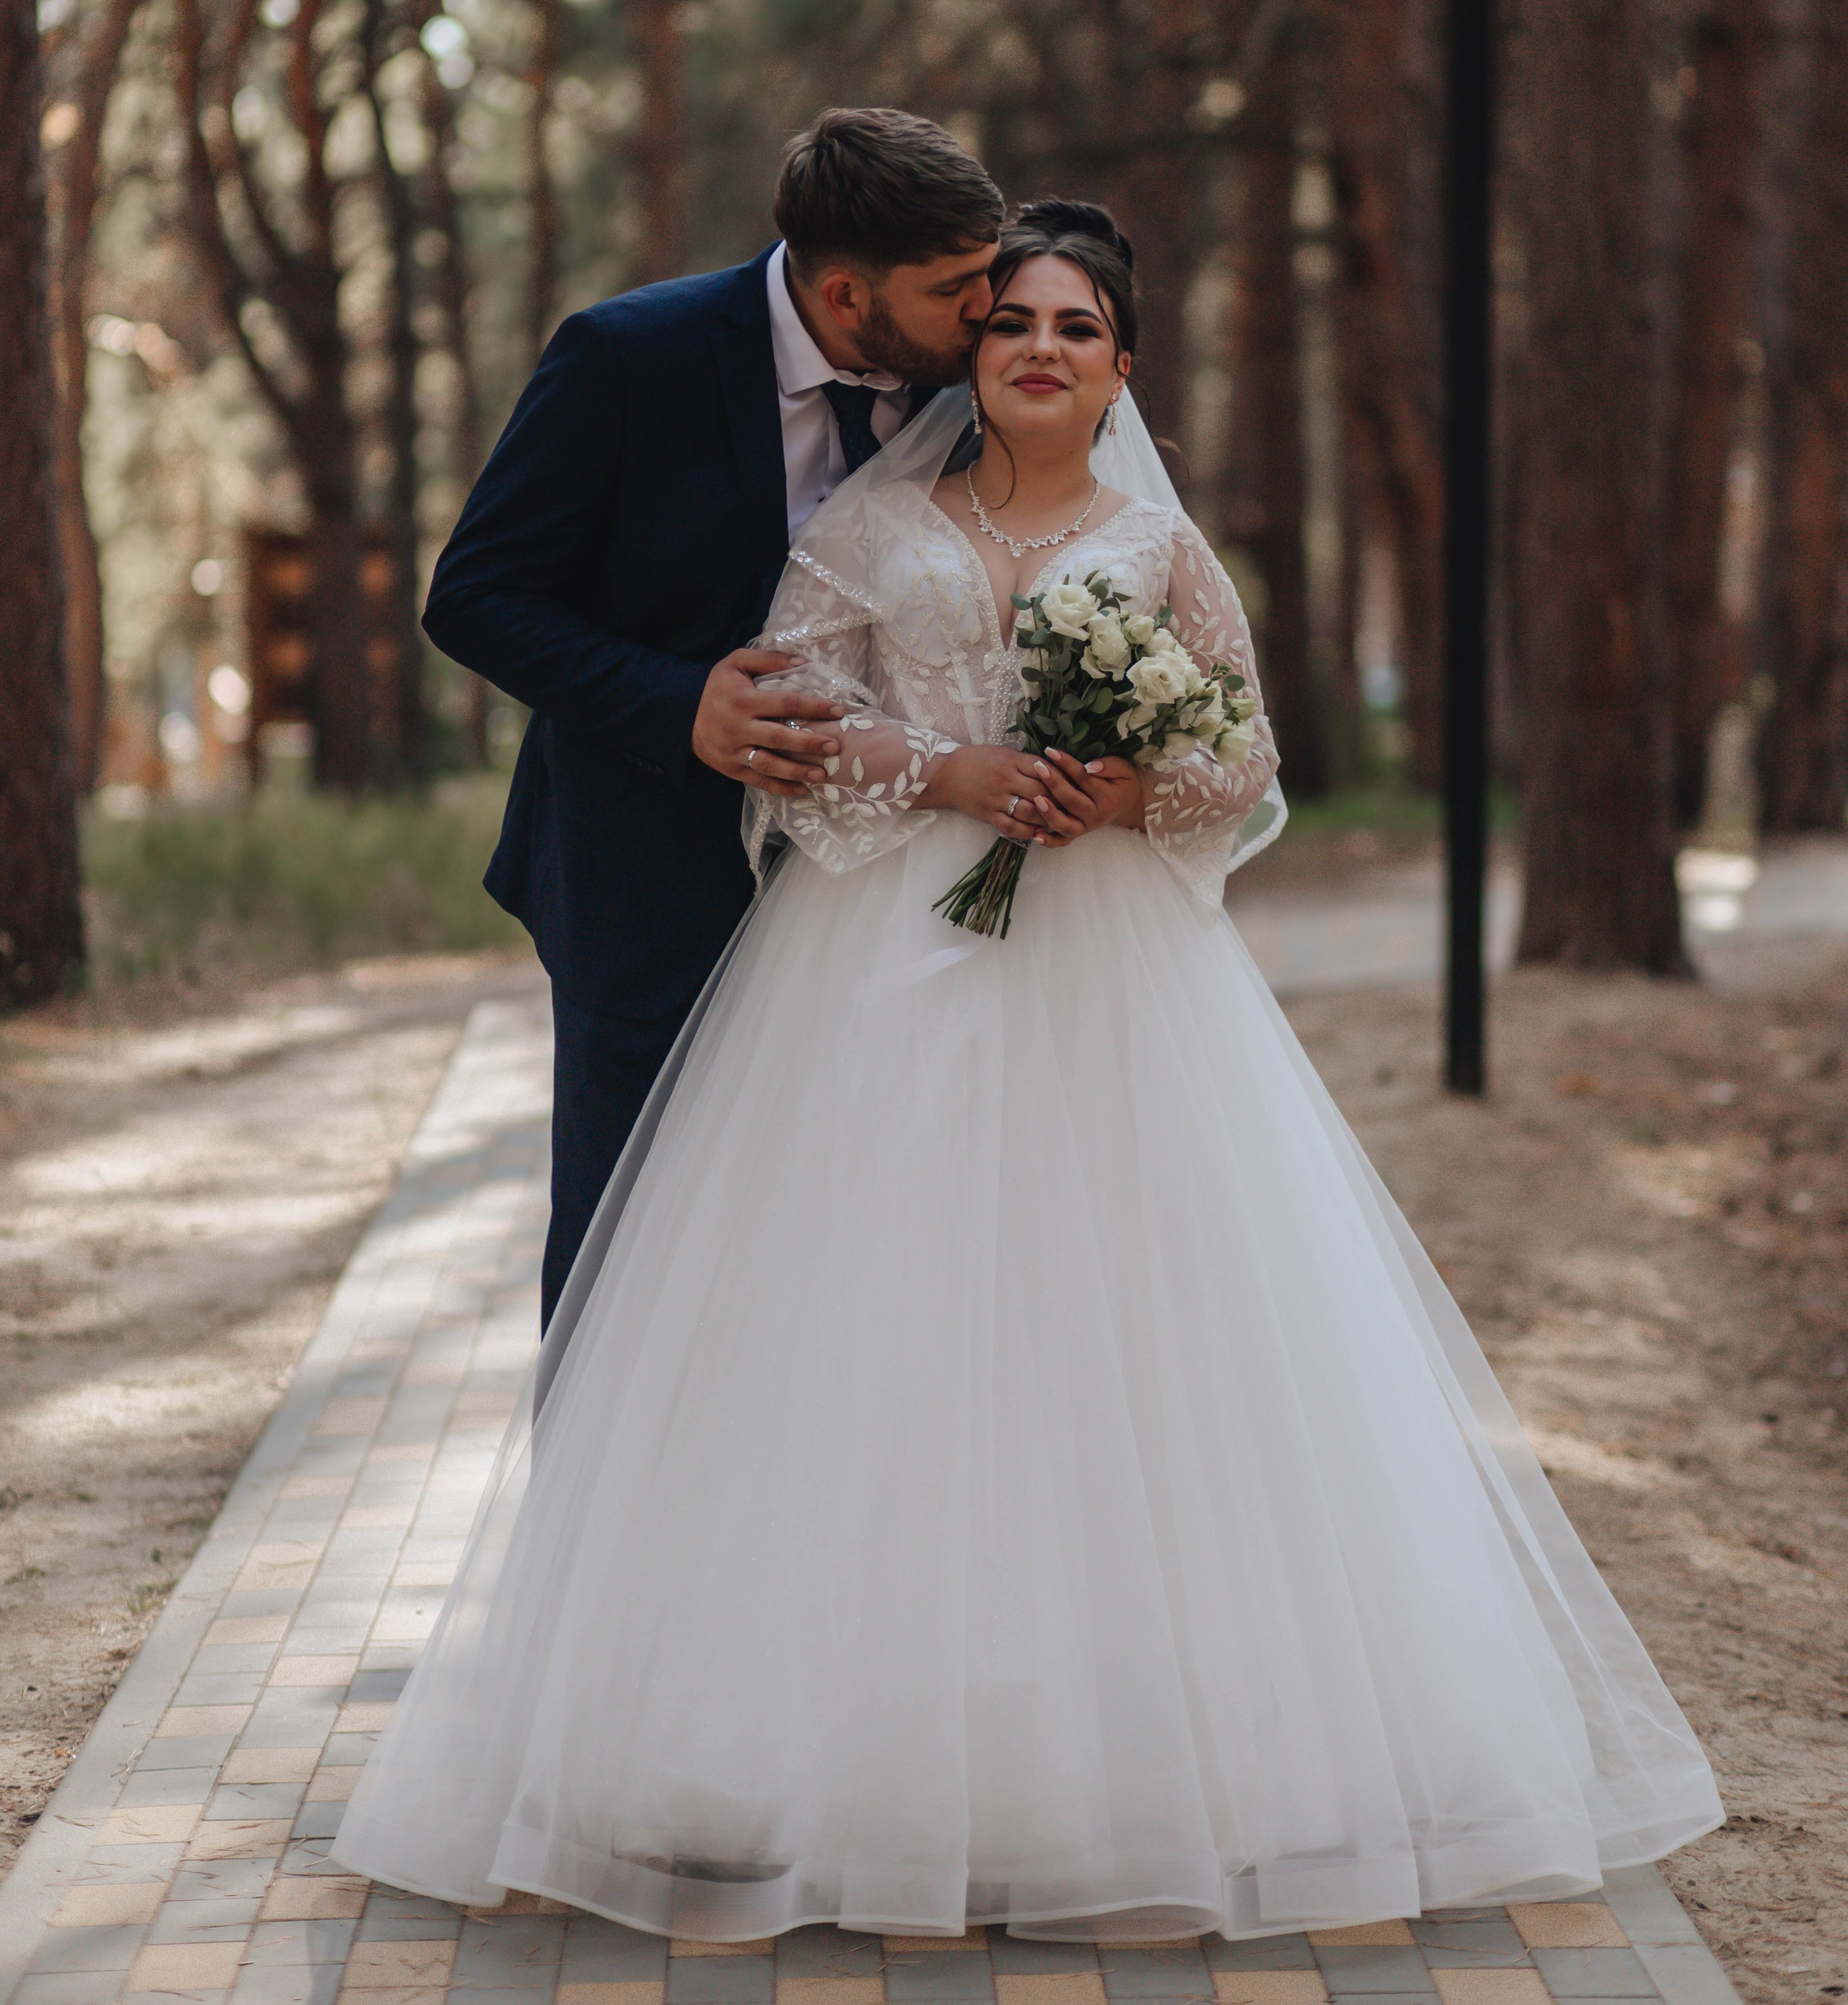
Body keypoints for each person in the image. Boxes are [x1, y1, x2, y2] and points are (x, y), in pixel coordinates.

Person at [342, 199, 1721, 1944]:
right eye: (1008, 328)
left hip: (1110, 974)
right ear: (968, 360)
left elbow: (1242, 756)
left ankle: (1116, 1752)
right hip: (873, 960)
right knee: (862, 1326)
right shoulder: (866, 520)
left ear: (1122, 366)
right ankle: (787, 1739)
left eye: (1076, 329)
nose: (1040, 350)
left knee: (1117, 1328)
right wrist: (951, 777)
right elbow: (791, 727)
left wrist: (1126, 794)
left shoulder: (1155, 546)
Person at [421, 107, 1002, 1325]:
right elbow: (474, 596)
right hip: (647, 881)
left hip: (886, 893)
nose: (987, 309)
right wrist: (678, 702)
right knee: (632, 1255)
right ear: (847, 296)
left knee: (852, 1255)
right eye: (955, 287)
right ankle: (598, 1518)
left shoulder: (974, 385)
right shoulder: (628, 357)